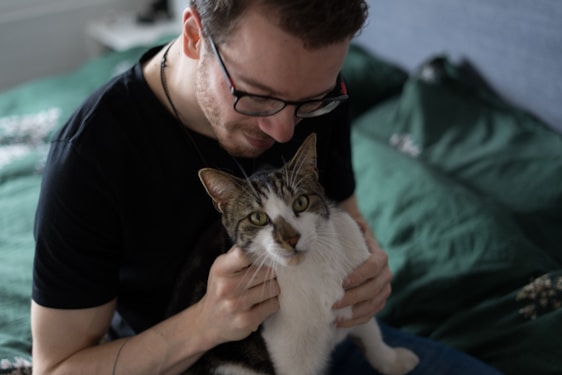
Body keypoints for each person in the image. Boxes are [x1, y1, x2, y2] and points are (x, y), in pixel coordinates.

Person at [30, 1, 504, 374]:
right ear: (195, 36)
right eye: (257, 96)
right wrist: (205, 324)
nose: (283, 130)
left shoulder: (319, 92)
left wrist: (369, 267)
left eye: (309, 103)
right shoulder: (91, 157)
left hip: (328, 331)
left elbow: (346, 216)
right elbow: (57, 368)